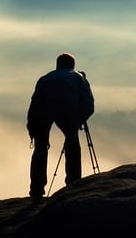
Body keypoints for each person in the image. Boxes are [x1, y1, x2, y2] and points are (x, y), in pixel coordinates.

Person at [26, 52, 94, 198]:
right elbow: (89, 104)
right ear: (72, 65)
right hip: (67, 107)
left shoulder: (45, 79)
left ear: (57, 65)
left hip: (43, 108)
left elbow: (34, 102)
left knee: (40, 148)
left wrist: (31, 126)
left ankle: (36, 189)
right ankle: (73, 183)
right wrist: (79, 120)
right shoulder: (78, 77)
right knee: (72, 143)